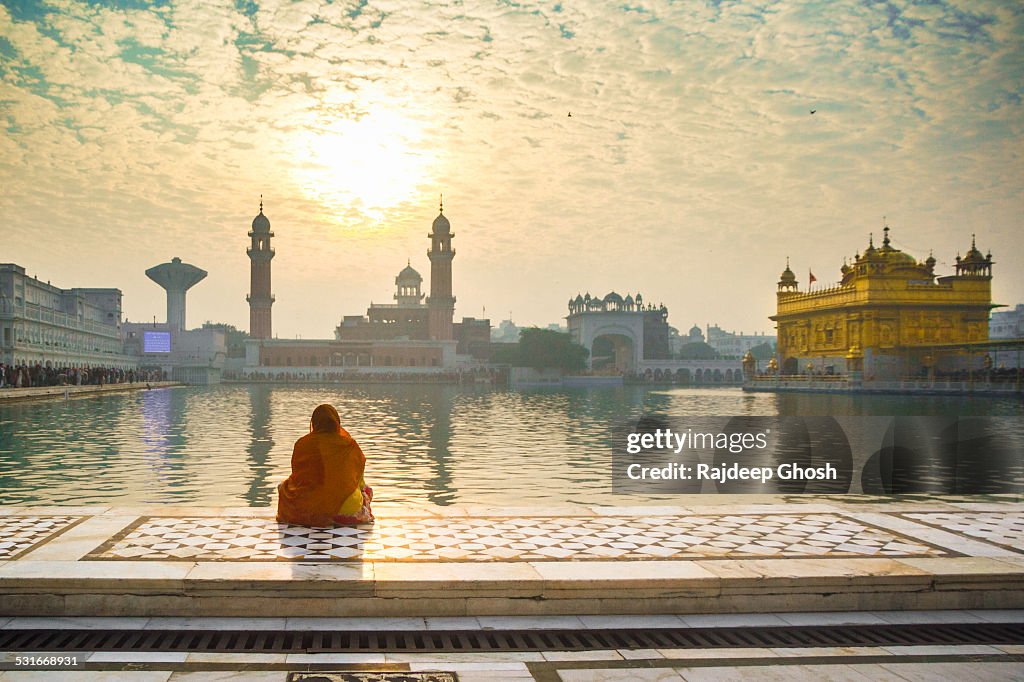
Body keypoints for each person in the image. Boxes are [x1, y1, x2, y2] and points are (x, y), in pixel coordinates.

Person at [277, 403, 373, 527]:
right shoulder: (349, 445)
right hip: (346, 506)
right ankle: (344, 516)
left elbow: (298, 478)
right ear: (336, 422)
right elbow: (359, 483)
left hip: (308, 506)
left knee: (282, 486)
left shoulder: (302, 444)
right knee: (367, 490)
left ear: (314, 423)